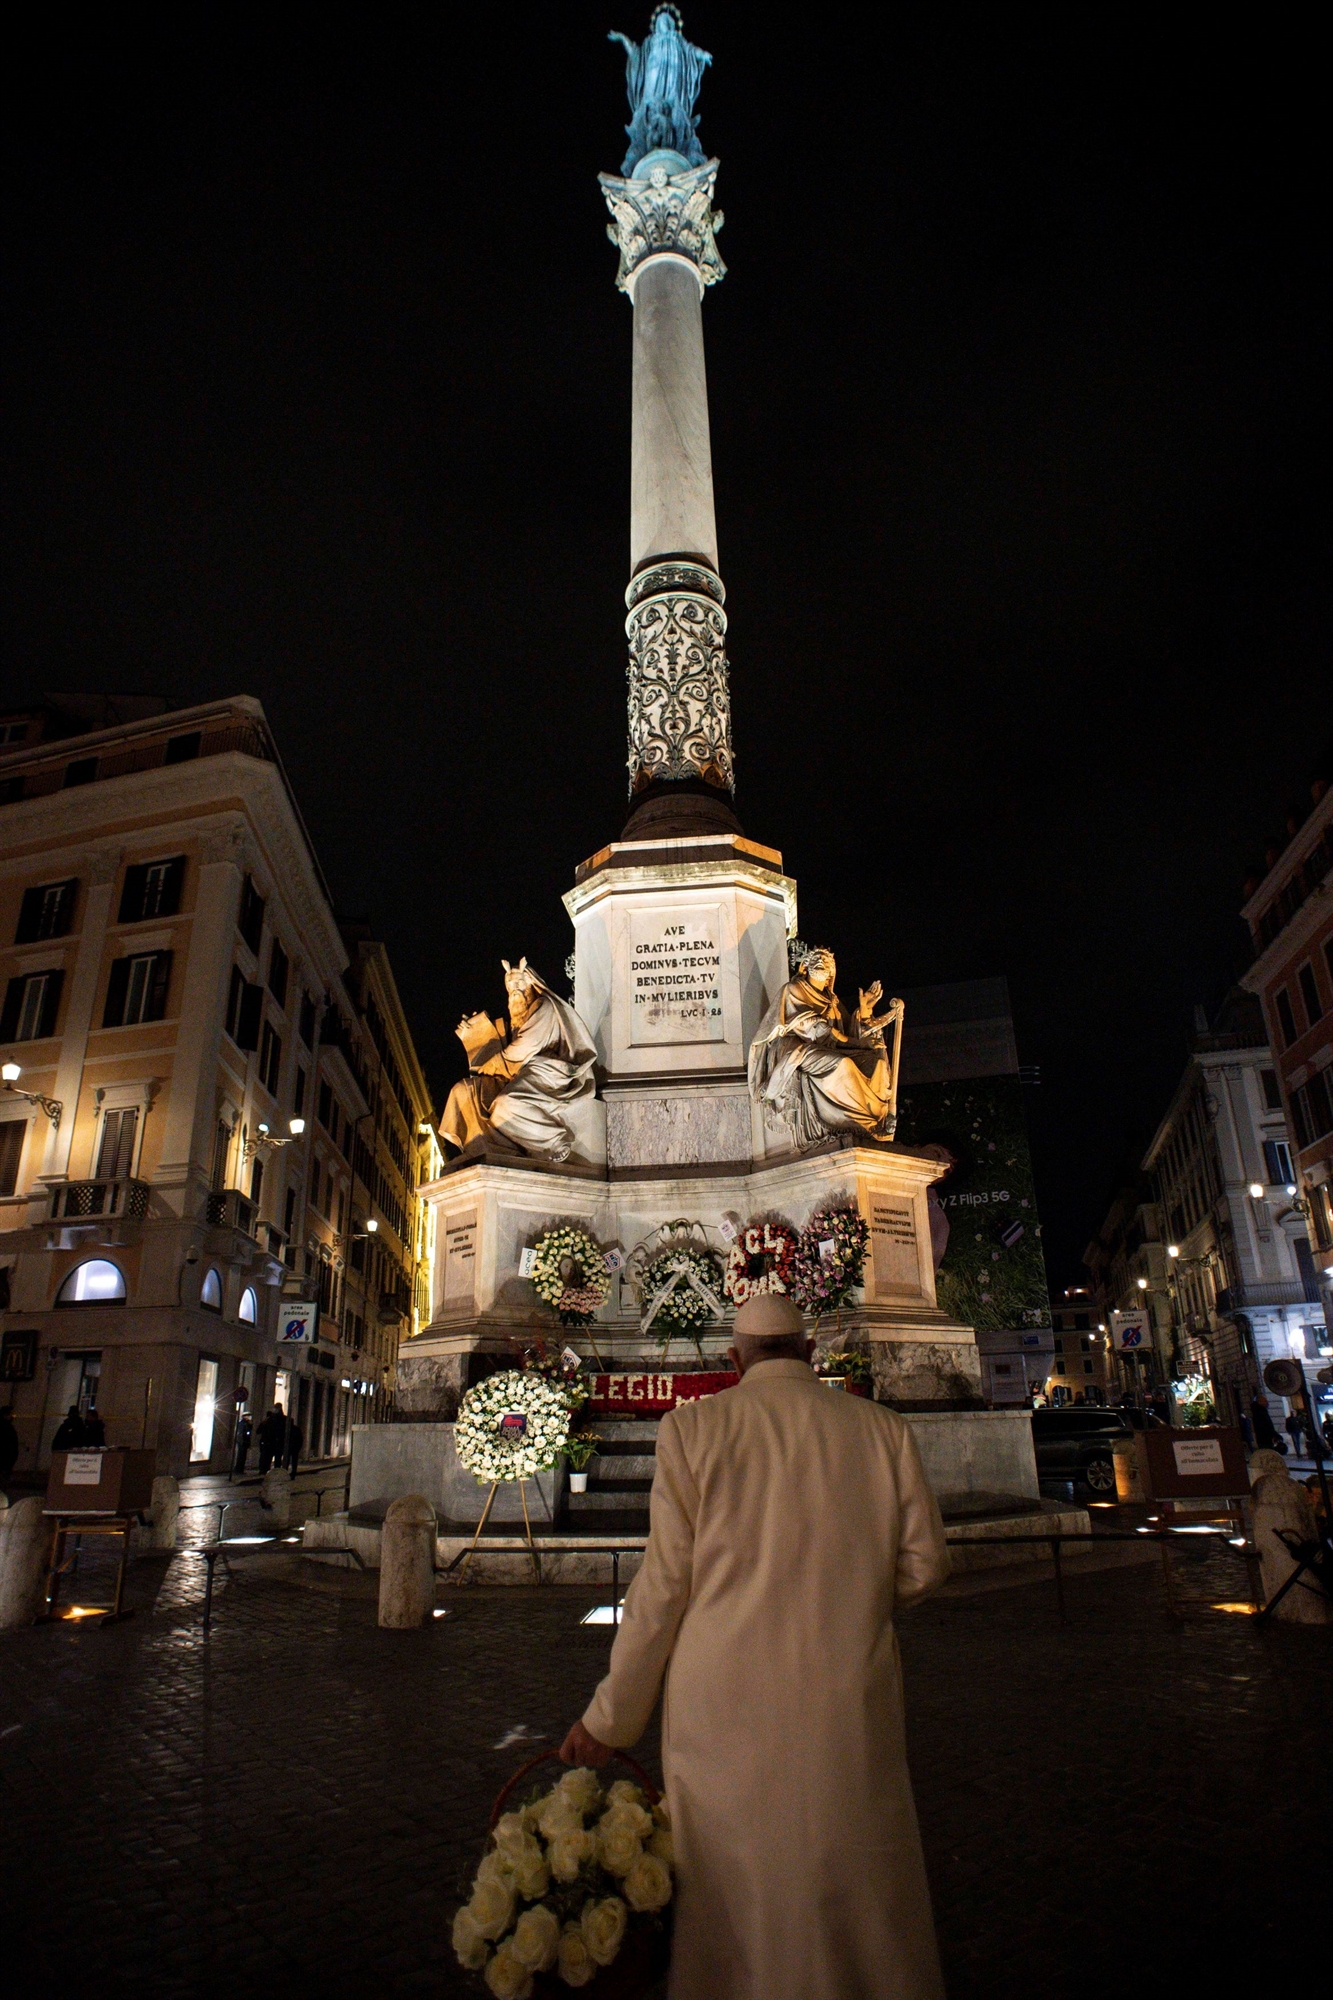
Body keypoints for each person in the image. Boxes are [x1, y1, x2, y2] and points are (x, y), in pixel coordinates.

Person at [559, 1292, 951, 2000]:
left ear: (732, 1359)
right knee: (855, 1877)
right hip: (842, 1697)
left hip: (721, 1711)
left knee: (732, 1896)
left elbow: (660, 1589)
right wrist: (850, 1599)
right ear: (809, 1352)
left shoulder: (694, 1430)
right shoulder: (881, 1429)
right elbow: (925, 1564)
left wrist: (608, 1717)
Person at [257, 1406, 285, 1475]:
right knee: (272, 1459)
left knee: (268, 1459)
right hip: (274, 1443)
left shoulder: (268, 1420)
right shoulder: (270, 1420)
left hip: (271, 1443)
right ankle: (270, 1472)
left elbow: (258, 1431)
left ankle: (265, 1471)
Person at [0, 1406, 18, 1485]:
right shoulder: (7, 1428)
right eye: (11, 1414)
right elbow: (10, 1445)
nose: (13, 1416)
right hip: (5, 1460)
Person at [233, 1410, 253, 1477]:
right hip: (242, 1442)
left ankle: (241, 1469)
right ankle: (238, 1469)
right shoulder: (242, 1423)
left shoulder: (247, 1423)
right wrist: (242, 1442)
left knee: (243, 1456)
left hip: (244, 1442)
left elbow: (248, 1433)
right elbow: (242, 1434)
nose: (250, 1417)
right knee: (241, 1456)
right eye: (248, 1416)